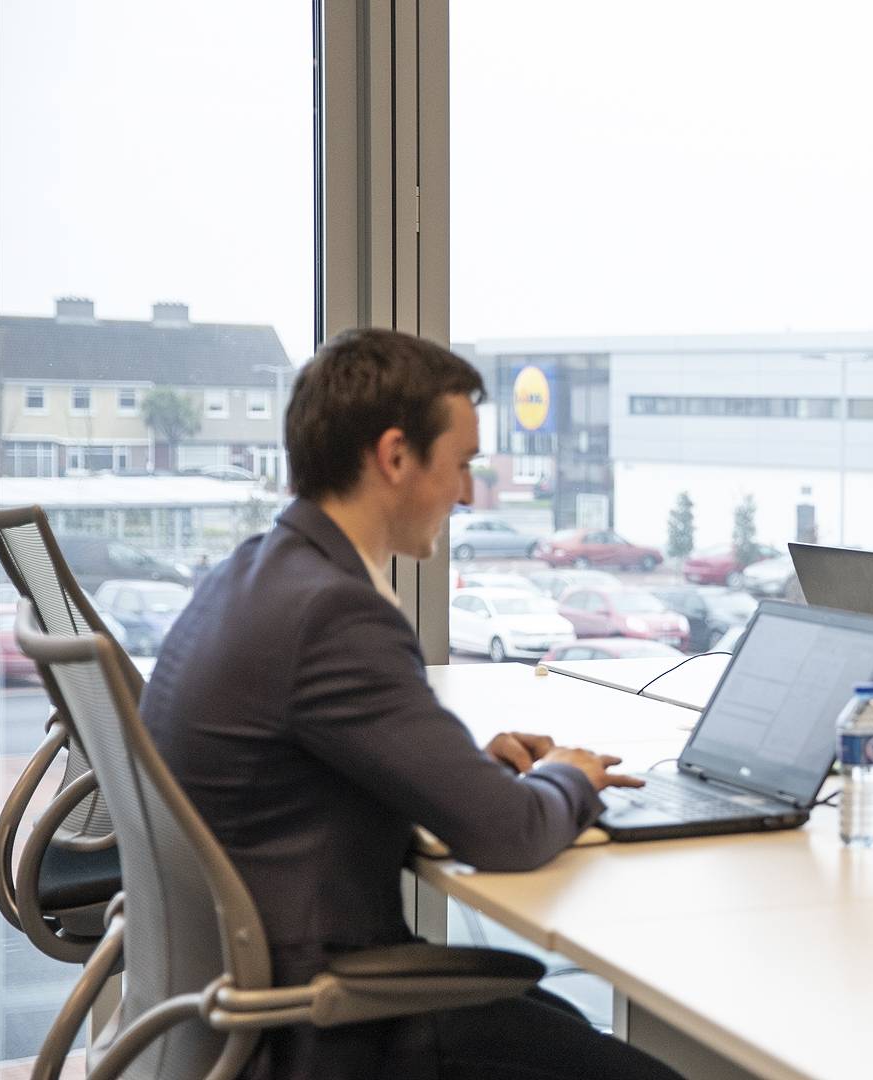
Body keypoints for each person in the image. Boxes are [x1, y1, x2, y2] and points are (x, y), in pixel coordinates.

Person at [139, 328, 678, 1079]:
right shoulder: (333, 614)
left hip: (242, 1001)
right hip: (328, 1023)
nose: (466, 493)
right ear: (395, 457)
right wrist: (570, 775)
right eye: (459, 465)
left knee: (558, 1020)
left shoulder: (253, 575)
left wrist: (458, 769)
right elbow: (509, 833)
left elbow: (302, 770)